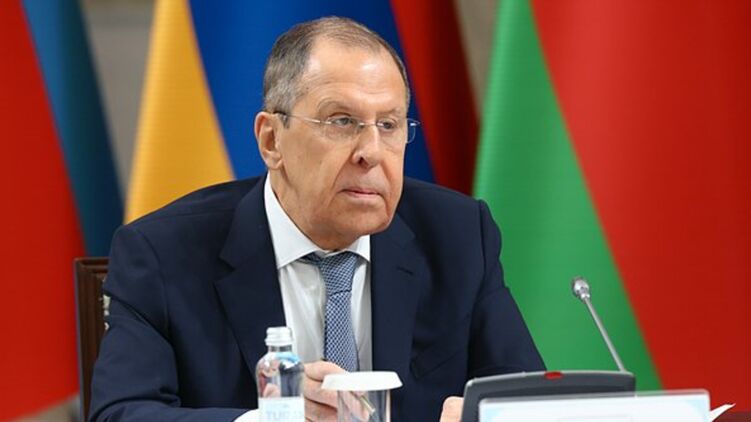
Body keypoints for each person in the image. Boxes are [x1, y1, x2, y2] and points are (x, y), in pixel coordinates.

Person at [89, 16, 544, 422]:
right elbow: (120, 413)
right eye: (341, 122)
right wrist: (271, 420)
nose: (371, 152)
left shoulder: (459, 236)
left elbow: (530, 403)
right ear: (271, 140)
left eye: (389, 125)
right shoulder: (164, 255)